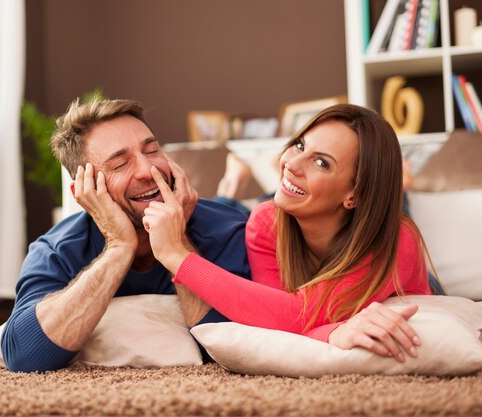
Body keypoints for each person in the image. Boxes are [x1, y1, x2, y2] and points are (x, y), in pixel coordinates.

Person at [143, 103, 433, 363]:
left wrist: (176, 255)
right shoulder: (267, 220)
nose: (290, 164)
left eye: (321, 162)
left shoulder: (397, 243)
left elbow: (294, 315)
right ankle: (230, 187)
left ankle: (403, 181)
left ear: (354, 195)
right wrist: (334, 332)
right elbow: (274, 320)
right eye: (298, 145)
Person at [1, 98, 252, 372]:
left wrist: (176, 247)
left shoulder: (230, 229)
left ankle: (230, 192)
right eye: (120, 164)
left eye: (152, 150)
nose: (147, 170)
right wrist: (119, 248)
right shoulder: (55, 249)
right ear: (85, 193)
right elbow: (24, 356)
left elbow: (235, 343)